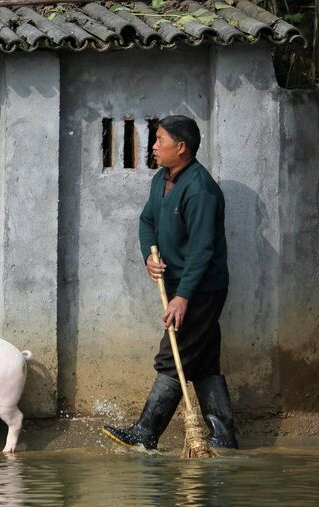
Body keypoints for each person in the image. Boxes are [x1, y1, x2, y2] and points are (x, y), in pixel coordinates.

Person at [101, 115, 238, 450]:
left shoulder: (201, 190)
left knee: (172, 355)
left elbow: (203, 251)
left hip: (201, 289)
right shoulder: (161, 179)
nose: (154, 145)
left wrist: (183, 297)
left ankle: (146, 433)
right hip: (181, 286)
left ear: (181, 147)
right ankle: (223, 437)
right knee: (203, 362)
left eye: (160, 139)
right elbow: (147, 219)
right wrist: (149, 255)